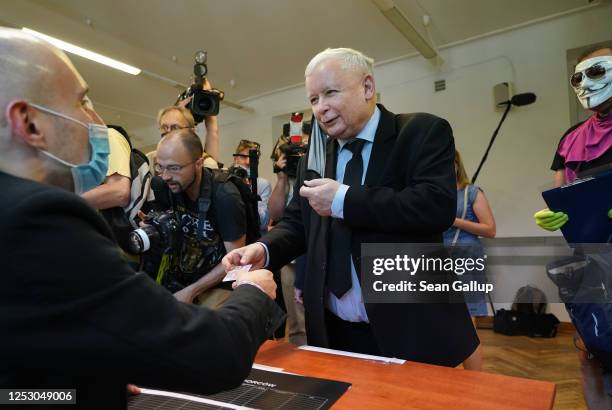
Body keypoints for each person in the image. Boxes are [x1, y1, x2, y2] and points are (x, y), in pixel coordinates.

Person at [0, 27, 282, 409]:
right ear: (29, 123)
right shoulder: (40, 220)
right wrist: (254, 294)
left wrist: (84, 384)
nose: (95, 118)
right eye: (82, 102)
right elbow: (214, 357)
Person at [224, 47, 478, 365]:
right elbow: (298, 223)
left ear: (367, 88)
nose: (321, 108)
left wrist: (344, 200)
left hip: (410, 327)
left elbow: (435, 207)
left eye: (330, 93)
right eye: (314, 99)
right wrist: (265, 249)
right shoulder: (313, 161)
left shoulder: (421, 133)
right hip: (334, 334)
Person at [534, 45, 612, 407]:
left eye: (596, 72)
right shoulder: (571, 138)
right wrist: (554, 215)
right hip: (589, 255)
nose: (584, 83)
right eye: (577, 76)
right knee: (590, 350)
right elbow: (561, 192)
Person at [143, 129, 247, 307]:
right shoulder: (164, 186)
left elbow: (235, 260)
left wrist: (191, 291)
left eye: (174, 168)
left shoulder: (224, 197)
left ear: (198, 163)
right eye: (160, 167)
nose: (166, 176)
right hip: (184, 274)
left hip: (222, 281)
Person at [443, 150, 496, 371]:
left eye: (449, 161)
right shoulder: (433, 193)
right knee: (441, 323)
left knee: (467, 323)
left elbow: (490, 229)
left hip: (467, 258)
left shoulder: (472, 192)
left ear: (457, 164)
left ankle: (473, 381)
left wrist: (453, 220)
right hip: (437, 260)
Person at [269, 132, 309, 345]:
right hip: (291, 259)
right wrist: (282, 178)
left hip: (316, 253)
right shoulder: (286, 178)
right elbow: (275, 215)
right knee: (296, 324)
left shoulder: (320, 166)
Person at [147, 101, 219, 171]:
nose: (168, 132)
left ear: (191, 132)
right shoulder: (149, 160)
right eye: (164, 127)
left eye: (175, 127)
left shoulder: (206, 163)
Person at [230, 139, 272, 234]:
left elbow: (262, 223)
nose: (248, 162)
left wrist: (248, 191)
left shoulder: (263, 185)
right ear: (235, 159)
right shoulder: (227, 183)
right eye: (244, 157)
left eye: (253, 159)